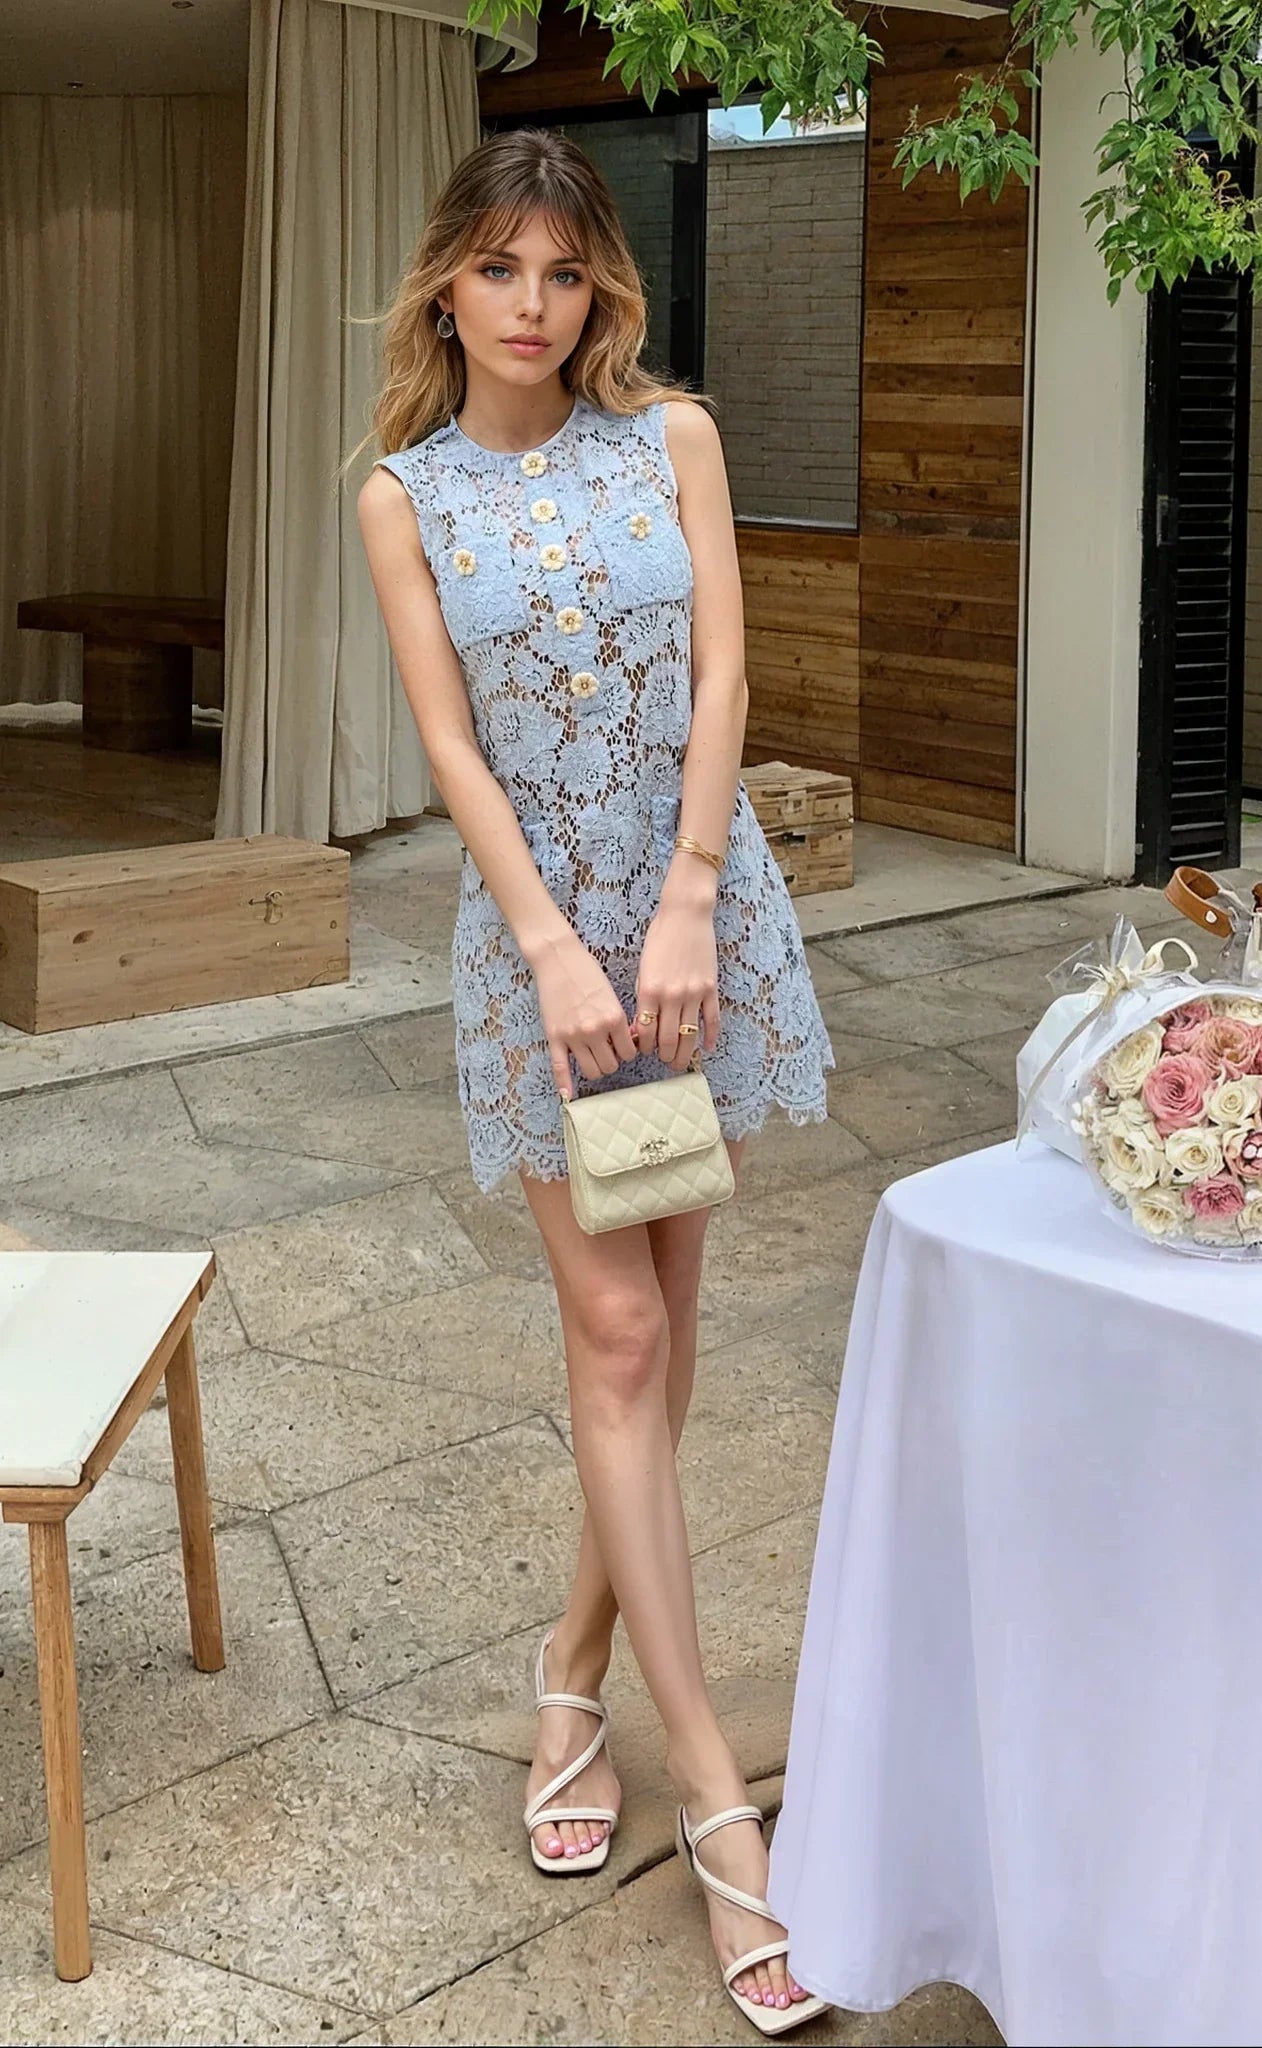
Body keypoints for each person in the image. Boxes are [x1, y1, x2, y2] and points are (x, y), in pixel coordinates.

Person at [357, 127, 835, 2034]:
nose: (534, 307)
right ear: (446, 283)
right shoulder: (402, 496)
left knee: (662, 1330)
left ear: (600, 287)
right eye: (500, 269)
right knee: (619, 1335)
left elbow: (724, 679)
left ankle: (570, 1666)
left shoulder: (676, 441)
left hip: (698, 931)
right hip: (540, 956)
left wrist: (690, 900)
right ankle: (710, 1786)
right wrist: (559, 947)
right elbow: (451, 747)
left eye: (564, 273)